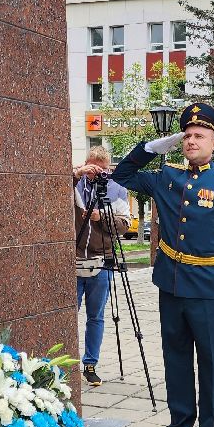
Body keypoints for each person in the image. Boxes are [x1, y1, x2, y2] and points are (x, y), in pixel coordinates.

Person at [113, 103, 214, 427]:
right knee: (175, 364)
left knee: (208, 366)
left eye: (199, 135)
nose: (191, 140)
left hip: (209, 289)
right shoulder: (166, 176)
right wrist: (155, 146)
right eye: (187, 135)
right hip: (171, 287)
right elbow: (123, 174)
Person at [73, 146, 131, 386]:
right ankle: (63, 363)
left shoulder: (116, 190)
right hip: (73, 259)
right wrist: (76, 174)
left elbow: (125, 224)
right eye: (91, 168)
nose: (95, 174)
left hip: (101, 261)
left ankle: (90, 364)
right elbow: (51, 186)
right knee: (68, 315)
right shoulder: (75, 184)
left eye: (100, 170)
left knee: (95, 316)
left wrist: (102, 217)